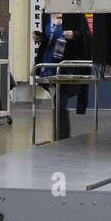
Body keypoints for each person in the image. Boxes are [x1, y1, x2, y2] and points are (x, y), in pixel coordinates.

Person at [35, 11, 92, 141]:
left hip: (68, 67)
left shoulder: (75, 13)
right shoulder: (47, 14)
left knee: (60, 101)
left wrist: (74, 35)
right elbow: (49, 37)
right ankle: (60, 136)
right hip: (49, 66)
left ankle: (62, 137)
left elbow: (88, 37)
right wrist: (41, 37)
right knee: (57, 101)